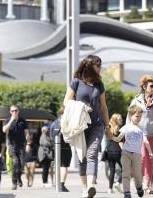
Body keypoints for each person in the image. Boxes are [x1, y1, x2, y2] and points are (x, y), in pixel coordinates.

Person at [63, 55, 112, 198]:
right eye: (98, 65)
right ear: (90, 66)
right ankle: (85, 188)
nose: (100, 68)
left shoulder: (99, 85)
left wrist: (107, 126)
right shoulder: (76, 82)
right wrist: (82, 107)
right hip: (80, 125)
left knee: (92, 153)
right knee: (82, 157)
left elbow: (103, 107)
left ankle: (91, 185)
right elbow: (66, 102)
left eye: (100, 65)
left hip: (96, 124)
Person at [128, 75, 153, 194]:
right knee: (142, 157)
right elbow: (130, 115)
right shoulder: (136, 100)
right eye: (151, 86)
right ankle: (139, 182)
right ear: (144, 87)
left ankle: (146, 185)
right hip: (139, 133)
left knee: (150, 159)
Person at [112, 105, 153, 198]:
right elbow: (119, 138)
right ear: (131, 116)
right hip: (126, 153)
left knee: (137, 174)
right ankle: (126, 192)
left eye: (140, 116)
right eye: (137, 116)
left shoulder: (142, 128)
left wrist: (150, 151)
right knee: (126, 173)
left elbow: (145, 141)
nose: (139, 118)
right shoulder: (126, 127)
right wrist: (111, 137)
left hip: (137, 155)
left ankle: (139, 186)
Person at [3, 105, 30, 190]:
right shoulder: (7, 120)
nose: (14, 112)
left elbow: (27, 133)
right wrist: (11, 120)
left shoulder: (22, 120)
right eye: (12, 111)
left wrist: (28, 144)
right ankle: (14, 182)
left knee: (21, 164)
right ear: (10, 112)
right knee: (15, 162)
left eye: (16, 110)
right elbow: (4, 130)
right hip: (11, 145)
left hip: (21, 145)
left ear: (18, 111)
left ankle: (18, 177)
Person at [50, 107, 72, 192]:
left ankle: (57, 183)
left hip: (56, 146)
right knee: (64, 166)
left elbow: (51, 135)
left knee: (57, 165)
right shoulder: (68, 121)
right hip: (65, 146)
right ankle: (62, 185)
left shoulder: (54, 122)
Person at [106, 113, 123, 194]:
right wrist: (124, 150)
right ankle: (118, 182)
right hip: (117, 151)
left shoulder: (108, 128)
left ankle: (110, 189)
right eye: (119, 119)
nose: (121, 120)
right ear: (115, 120)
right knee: (125, 168)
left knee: (112, 170)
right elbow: (120, 142)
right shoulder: (119, 129)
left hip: (109, 151)